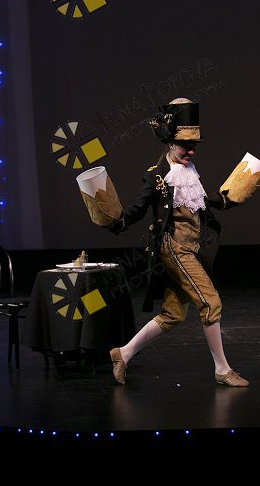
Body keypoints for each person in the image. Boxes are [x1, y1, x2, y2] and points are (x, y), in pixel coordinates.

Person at [104, 97, 249, 387]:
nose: (191, 151)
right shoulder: (157, 176)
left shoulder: (190, 172)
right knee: (210, 302)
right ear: (170, 143)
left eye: (193, 145)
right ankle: (222, 369)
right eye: (185, 145)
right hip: (174, 248)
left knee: (173, 314)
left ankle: (123, 353)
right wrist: (117, 221)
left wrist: (229, 197)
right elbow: (137, 209)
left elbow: (202, 201)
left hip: (192, 249)